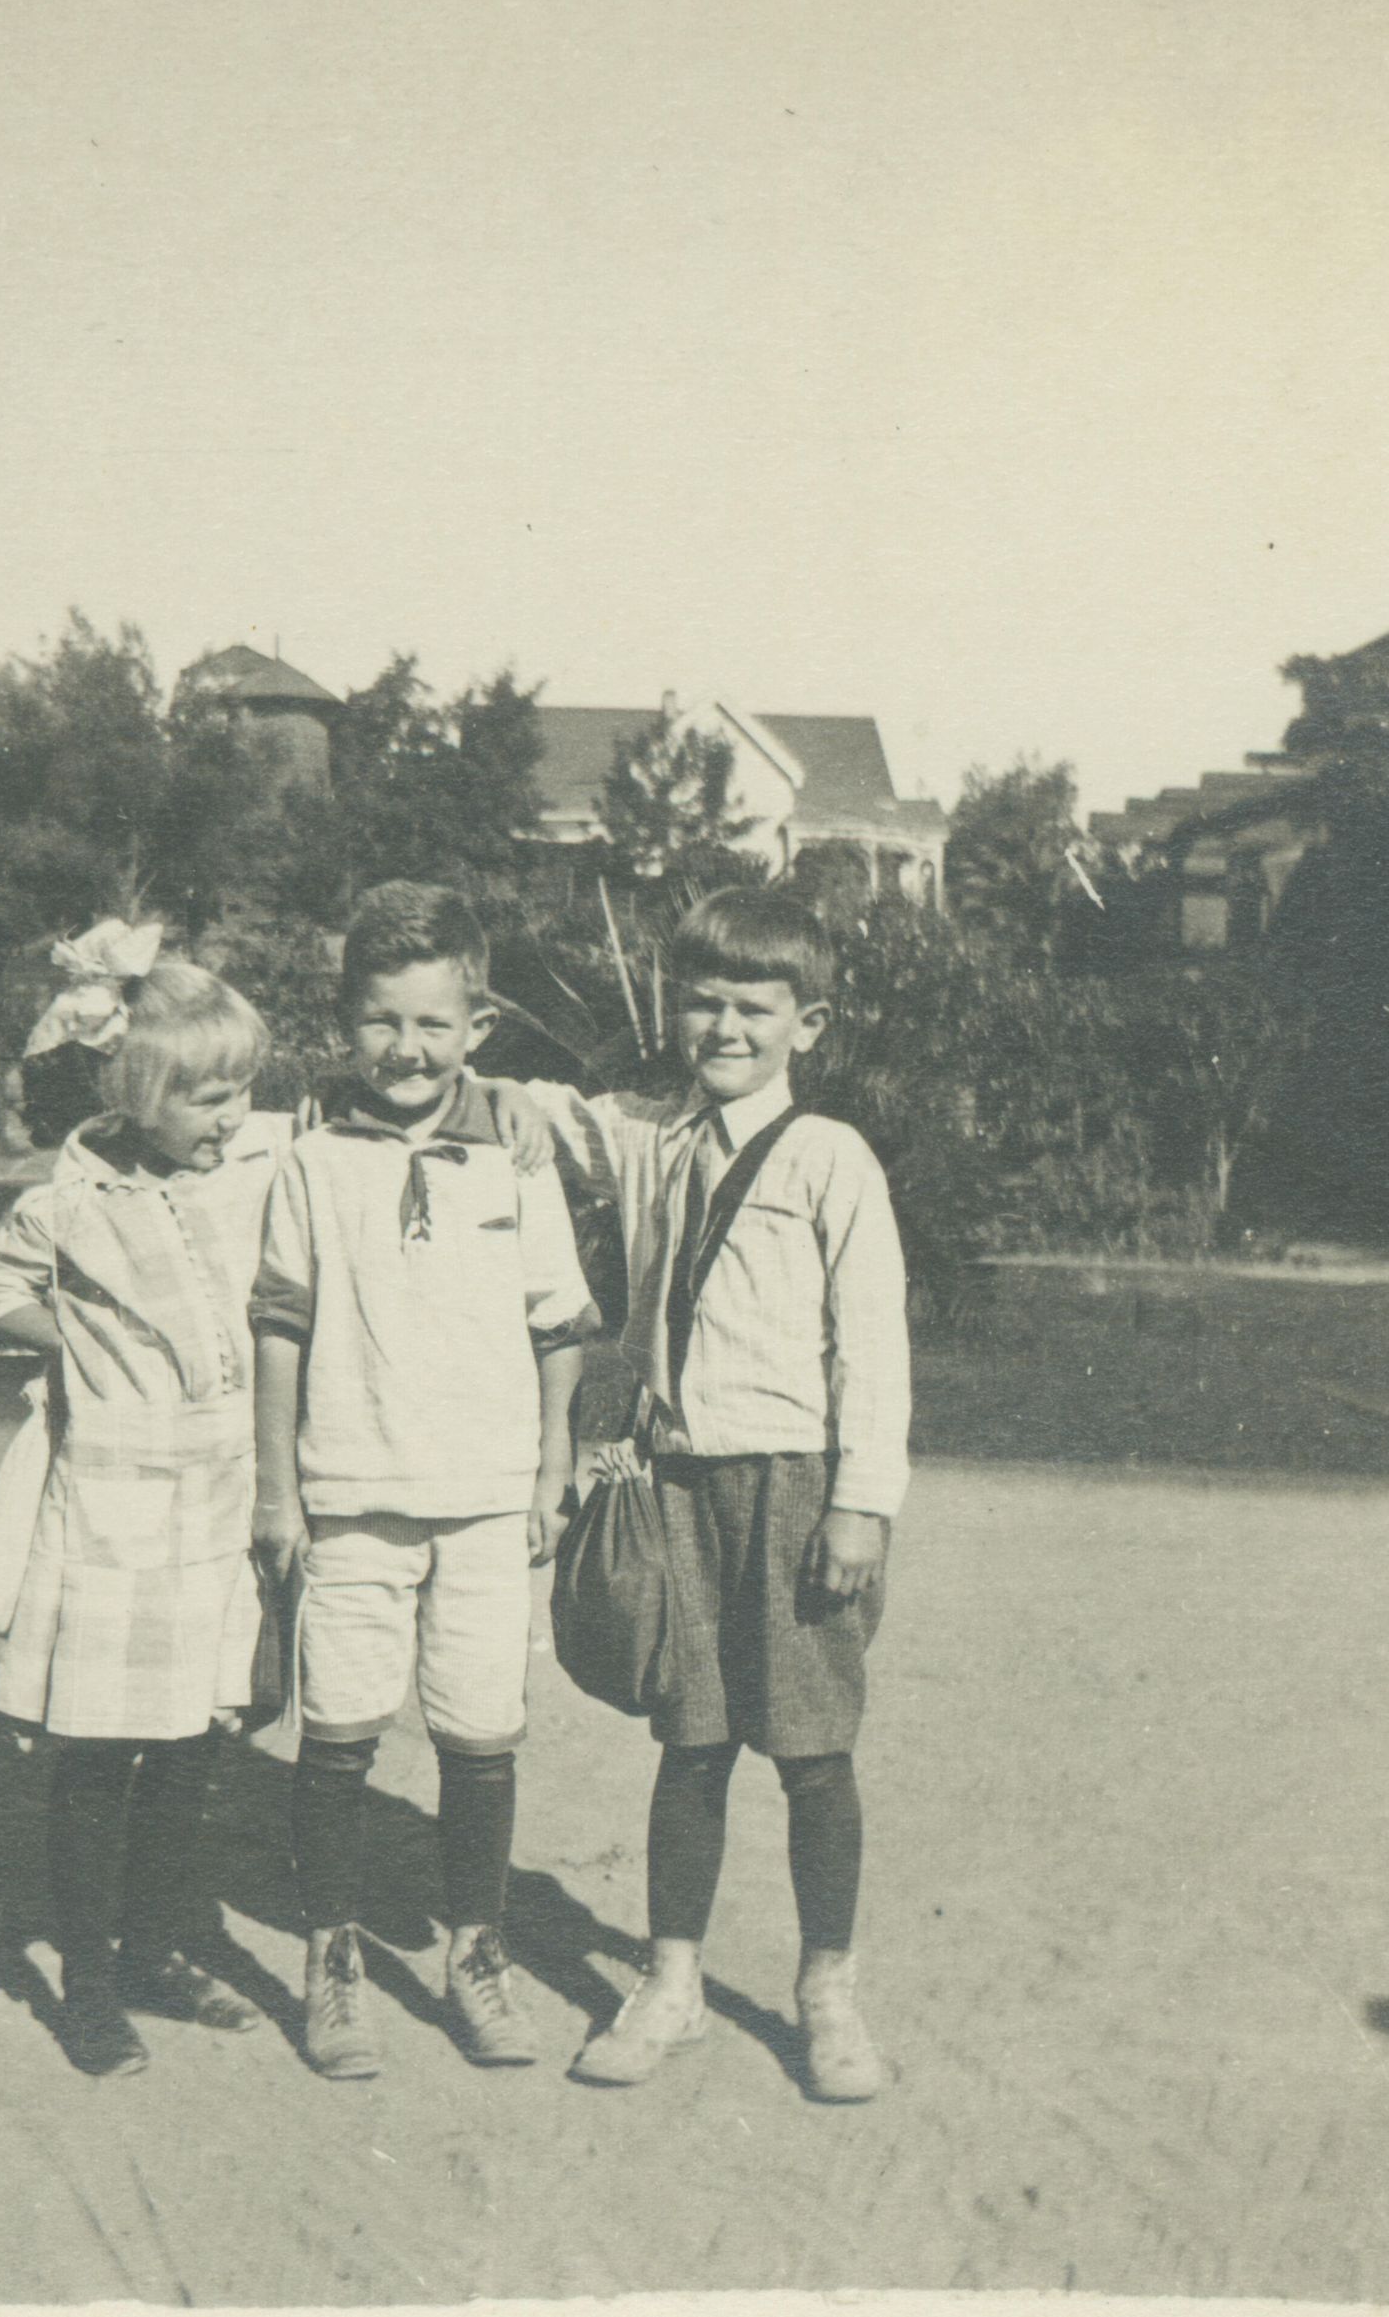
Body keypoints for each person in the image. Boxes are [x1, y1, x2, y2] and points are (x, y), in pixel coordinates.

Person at [0, 920, 550, 2079]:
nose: (232, 1115)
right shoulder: (75, 1198)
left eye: (241, 1090)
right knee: (100, 1750)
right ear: (133, 1092)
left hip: (231, 1495)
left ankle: (157, 1948)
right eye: (206, 1098)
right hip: (118, 1506)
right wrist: (85, 1351)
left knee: (196, 1737)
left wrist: (506, 1095)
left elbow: (406, 1101)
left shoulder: (271, 1154)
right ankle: (86, 1986)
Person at [525, 885, 910, 2100]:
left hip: (797, 1491)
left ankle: (828, 1994)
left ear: (811, 1024)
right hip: (675, 1484)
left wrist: (862, 1502)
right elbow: (534, 1116)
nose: (726, 1027)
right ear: (675, 1010)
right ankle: (672, 1982)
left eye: (756, 1007)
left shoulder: (831, 1158)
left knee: (811, 1750)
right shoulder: (649, 1135)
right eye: (704, 1002)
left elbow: (874, 1345)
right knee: (690, 1742)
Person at [251, 882, 598, 2081]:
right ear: (346, 1022)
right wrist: (277, 1488)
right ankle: (332, 1958)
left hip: (490, 1498)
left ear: (477, 1027)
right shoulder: (309, 1160)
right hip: (352, 1494)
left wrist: (553, 1464)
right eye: (382, 1021)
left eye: (434, 1024)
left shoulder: (517, 1156)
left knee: (479, 1734)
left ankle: (476, 1956)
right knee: (339, 1734)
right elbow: (280, 1324)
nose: (407, 1048)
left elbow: (559, 1322)